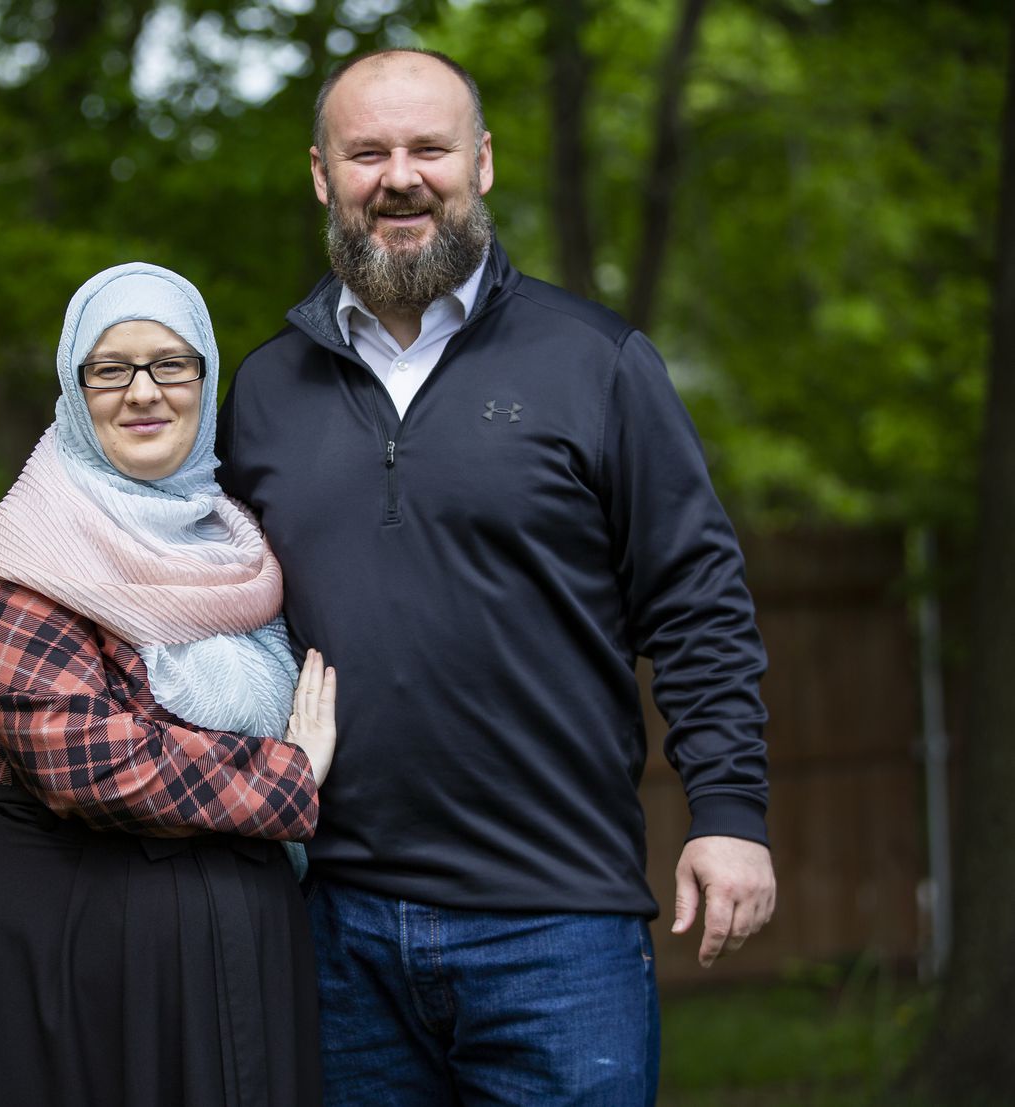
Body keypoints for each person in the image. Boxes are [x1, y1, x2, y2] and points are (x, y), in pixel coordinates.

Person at [209, 48, 777, 1104]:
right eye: (366, 151)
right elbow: (193, 602)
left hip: (555, 925)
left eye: (429, 148)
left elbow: (697, 604)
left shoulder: (595, 363)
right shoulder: (264, 389)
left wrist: (729, 817)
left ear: (482, 163)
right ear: (321, 176)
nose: (400, 176)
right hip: (329, 922)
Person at [0, 262, 336, 1107]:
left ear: (205, 376)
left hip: (241, 947)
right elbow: (90, 761)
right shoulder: (28, 552)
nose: (143, 392)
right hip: (73, 957)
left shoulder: (238, 540)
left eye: (171, 363)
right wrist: (290, 774)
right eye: (111, 368)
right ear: (74, 385)